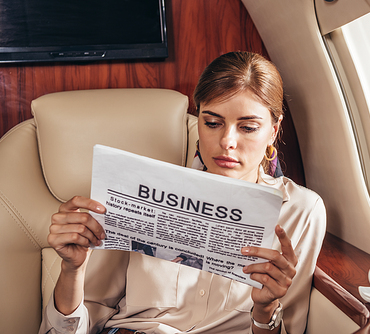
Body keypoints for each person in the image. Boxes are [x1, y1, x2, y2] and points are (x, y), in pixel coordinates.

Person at [39, 51, 326, 334]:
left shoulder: (302, 210)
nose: (227, 141)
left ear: (273, 132)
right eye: (212, 123)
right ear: (198, 120)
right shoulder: (142, 191)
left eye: (248, 127)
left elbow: (292, 326)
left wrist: (264, 311)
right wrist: (72, 270)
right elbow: (81, 322)